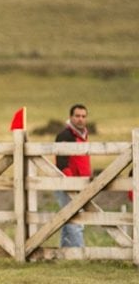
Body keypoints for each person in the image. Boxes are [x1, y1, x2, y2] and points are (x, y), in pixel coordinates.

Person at [55, 104, 91, 248]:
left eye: (83, 116)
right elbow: (62, 163)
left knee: (68, 219)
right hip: (69, 184)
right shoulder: (65, 135)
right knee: (76, 220)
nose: (80, 119)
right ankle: (79, 253)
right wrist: (70, 185)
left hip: (82, 183)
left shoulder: (83, 136)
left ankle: (66, 253)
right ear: (70, 117)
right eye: (77, 116)